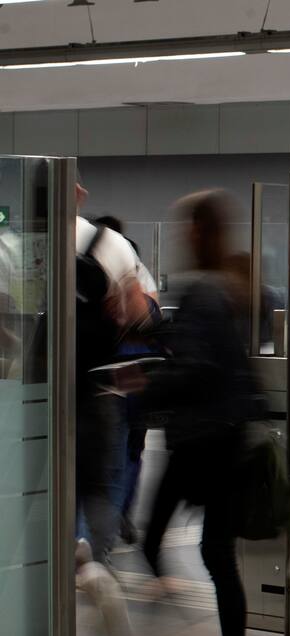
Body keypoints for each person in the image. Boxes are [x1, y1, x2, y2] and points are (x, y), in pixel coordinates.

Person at [140, 190, 261, 636]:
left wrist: (143, 387)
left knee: (156, 536)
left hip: (201, 444)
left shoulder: (202, 292)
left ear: (195, 230)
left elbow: (195, 370)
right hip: (228, 442)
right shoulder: (231, 289)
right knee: (217, 555)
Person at [75, 184, 151, 636]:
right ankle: (97, 568)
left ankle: (57, 583)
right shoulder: (111, 243)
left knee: (38, 497)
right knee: (100, 491)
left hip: (39, 394)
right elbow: (141, 314)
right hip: (99, 391)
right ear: (79, 193)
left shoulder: (19, 243)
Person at [91, 214, 161, 546]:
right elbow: (150, 315)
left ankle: (97, 532)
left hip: (104, 376)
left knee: (106, 458)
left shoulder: (85, 263)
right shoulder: (133, 265)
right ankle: (117, 517)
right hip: (133, 377)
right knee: (128, 452)